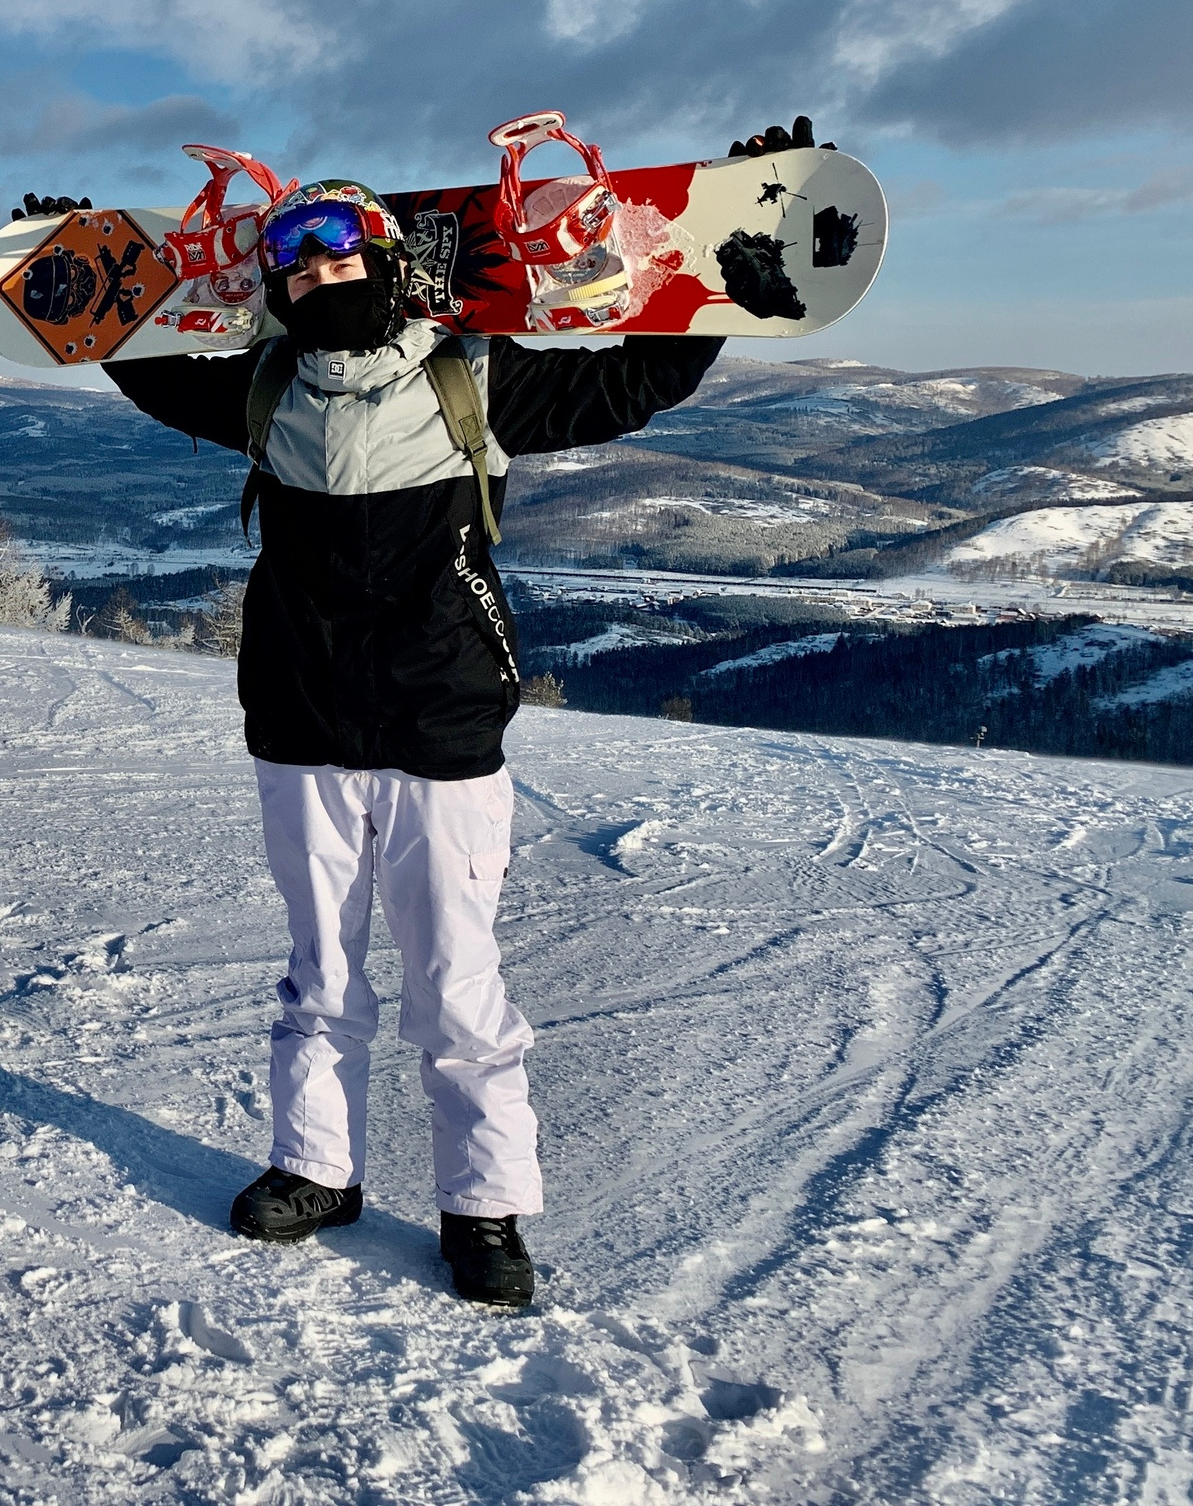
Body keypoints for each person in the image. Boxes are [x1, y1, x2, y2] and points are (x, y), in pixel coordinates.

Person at [39, 124, 796, 1304]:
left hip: (441, 725)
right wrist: (79, 259)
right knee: (318, 970)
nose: (314, 278)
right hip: (298, 720)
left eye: (339, 258)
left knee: (456, 981)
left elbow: (630, 381)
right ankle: (313, 1168)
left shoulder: (472, 376)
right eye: (293, 266)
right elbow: (134, 359)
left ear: (387, 265)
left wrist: (719, 278)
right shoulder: (262, 385)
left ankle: (483, 1209)